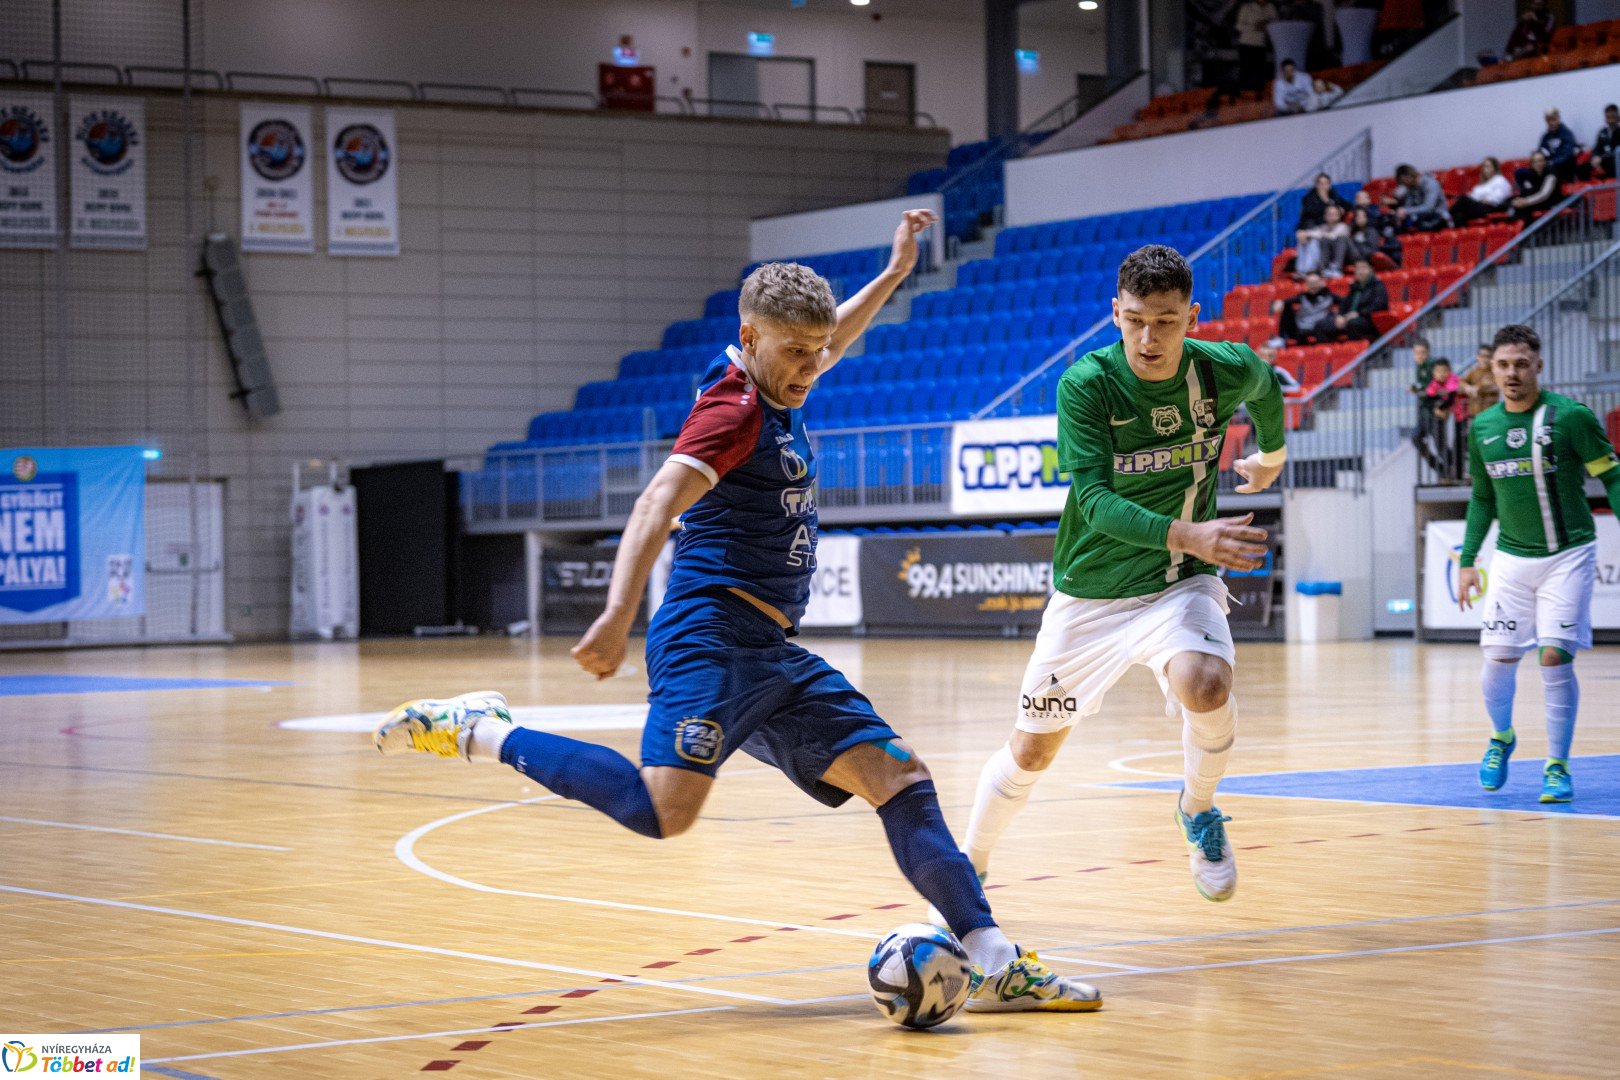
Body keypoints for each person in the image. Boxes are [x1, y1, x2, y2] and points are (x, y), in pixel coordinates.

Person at [372, 209, 1102, 1014]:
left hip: (771, 647)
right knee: (663, 813)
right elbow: (655, 502)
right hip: (708, 638)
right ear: (749, 338)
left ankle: (995, 958)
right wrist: (618, 612)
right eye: (795, 353)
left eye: (817, 351)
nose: (811, 367)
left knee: (900, 778)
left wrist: (894, 275)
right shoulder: (731, 412)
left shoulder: (784, 377)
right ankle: (479, 728)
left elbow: (836, 339)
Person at [952, 243, 1287, 905]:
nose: (1149, 336)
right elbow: (1096, 503)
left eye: (1165, 320)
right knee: (1030, 755)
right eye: (1135, 319)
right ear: (1114, 313)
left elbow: (1265, 385)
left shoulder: (1223, 371)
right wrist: (1191, 531)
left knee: (1207, 684)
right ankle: (968, 869)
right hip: (1091, 595)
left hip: (1178, 582)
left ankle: (1197, 809)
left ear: (1192, 315)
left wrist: (1271, 454)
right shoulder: (1087, 384)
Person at [1458, 323, 1620, 805]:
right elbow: (1482, 498)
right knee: (1498, 661)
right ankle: (1502, 737)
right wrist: (1468, 560)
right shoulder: (1483, 428)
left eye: (1521, 364)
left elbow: (1611, 476)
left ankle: (1557, 765)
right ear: (1492, 368)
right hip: (1510, 559)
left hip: (1568, 554)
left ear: (1539, 366)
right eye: (1503, 364)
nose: (1512, 373)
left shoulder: (1570, 418)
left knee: (1554, 656)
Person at [1407, 338, 1448, 472]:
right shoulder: (1420, 367)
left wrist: (1419, 390)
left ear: (1428, 352)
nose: (1419, 356)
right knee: (1416, 438)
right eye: (1416, 353)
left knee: (1440, 446)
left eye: (1422, 352)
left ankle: (1454, 471)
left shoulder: (1433, 365)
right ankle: (1442, 469)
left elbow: (1437, 387)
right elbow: (1424, 387)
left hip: (1434, 411)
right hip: (1425, 412)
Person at [1423, 358, 1466, 479]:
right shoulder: (1434, 384)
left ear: (1450, 371)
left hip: (1458, 416)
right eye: (1438, 371)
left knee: (1458, 443)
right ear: (1433, 373)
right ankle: (1452, 469)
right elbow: (1427, 401)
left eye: (1444, 371)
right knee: (1440, 443)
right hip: (1446, 416)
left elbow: (1451, 399)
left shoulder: (1453, 381)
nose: (1442, 374)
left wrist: (1440, 408)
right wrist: (1435, 409)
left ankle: (1457, 471)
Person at [1274, 271, 1341, 343]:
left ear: (1321, 282)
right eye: (1309, 283)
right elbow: (1288, 301)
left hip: (1320, 328)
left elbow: (1344, 302)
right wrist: (1281, 302)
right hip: (1301, 328)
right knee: (1287, 305)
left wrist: (1339, 314)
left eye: (1315, 282)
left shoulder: (1329, 296)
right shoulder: (1302, 296)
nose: (1312, 286)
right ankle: (1281, 339)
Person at [1332, 257, 1389, 340]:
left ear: (1371, 270)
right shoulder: (1354, 287)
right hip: (1351, 318)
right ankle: (1329, 352)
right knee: (1322, 326)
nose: (1360, 271)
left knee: (1353, 323)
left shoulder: (1378, 286)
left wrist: (1359, 313)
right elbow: (1345, 304)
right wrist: (1340, 315)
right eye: (1357, 268)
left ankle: (1356, 350)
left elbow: (1378, 305)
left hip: (1370, 320)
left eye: (1363, 268)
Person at [1386, 164, 1452, 232]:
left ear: (1407, 178)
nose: (1404, 186)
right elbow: (1408, 205)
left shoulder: (1430, 184)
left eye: (1403, 183)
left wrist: (1406, 211)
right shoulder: (1411, 187)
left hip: (1438, 218)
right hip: (1422, 219)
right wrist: (1399, 212)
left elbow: (1428, 207)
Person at [1449, 157, 1513, 227]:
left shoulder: (1499, 180)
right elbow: (1473, 196)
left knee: (1463, 199)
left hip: (1491, 208)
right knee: (1458, 215)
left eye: (1488, 166)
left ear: (1494, 169)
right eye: (1483, 167)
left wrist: (1487, 199)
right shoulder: (1480, 185)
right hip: (1478, 207)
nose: (1485, 169)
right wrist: (1473, 198)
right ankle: (1462, 235)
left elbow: (1500, 197)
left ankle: (1444, 218)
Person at [1234, 0, 1279, 93]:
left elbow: (1276, 23)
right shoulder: (1247, 7)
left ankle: (1257, 96)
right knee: (1246, 69)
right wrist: (1255, 27)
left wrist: (1266, 26)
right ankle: (1244, 95)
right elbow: (1239, 26)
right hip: (1246, 44)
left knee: (1259, 72)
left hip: (1261, 45)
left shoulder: (1271, 7)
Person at [1296, 203, 1351, 277]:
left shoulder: (1343, 226)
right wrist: (1302, 234)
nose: (1331, 216)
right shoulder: (1322, 227)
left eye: (1334, 214)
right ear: (1325, 216)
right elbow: (1312, 233)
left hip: (1341, 256)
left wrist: (1310, 234)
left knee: (1336, 239)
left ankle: (1336, 268)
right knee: (1307, 240)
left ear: (1339, 216)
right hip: (1325, 255)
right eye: (1329, 213)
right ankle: (1302, 270)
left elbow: (1331, 236)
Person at [1510, 150, 1562, 225]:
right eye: (1535, 161)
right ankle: (1517, 229)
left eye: (1540, 161)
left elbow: (1544, 194)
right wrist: (1519, 201)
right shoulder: (1531, 173)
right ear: (1531, 164)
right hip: (1536, 200)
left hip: (1551, 201)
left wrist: (1526, 201)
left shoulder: (1551, 173)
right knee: (1515, 201)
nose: (1538, 164)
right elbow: (1528, 189)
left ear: (1545, 161)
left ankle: (1524, 231)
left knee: (1525, 207)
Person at [1348, 203, 1402, 268]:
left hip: (1367, 260)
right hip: (1354, 260)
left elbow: (1372, 251)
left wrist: (1357, 244)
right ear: (1355, 219)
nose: (1361, 219)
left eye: (1363, 216)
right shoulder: (1352, 233)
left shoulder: (1371, 231)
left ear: (1367, 218)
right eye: (1358, 216)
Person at [1537, 108, 1582, 186]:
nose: (1551, 123)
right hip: (1550, 167)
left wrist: (1550, 163)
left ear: (1558, 119)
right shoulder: (1546, 137)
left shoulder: (1567, 134)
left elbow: (1566, 155)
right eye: (1548, 120)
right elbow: (1540, 151)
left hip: (1565, 168)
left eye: (1553, 120)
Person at [1587, 103, 1619, 180]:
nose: (1610, 120)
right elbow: (1596, 149)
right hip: (1601, 162)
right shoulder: (1602, 132)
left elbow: (1617, 152)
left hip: (1615, 162)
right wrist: (1594, 158)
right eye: (1608, 117)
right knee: (1582, 168)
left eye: (1612, 117)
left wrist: (1601, 158)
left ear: (1618, 117)